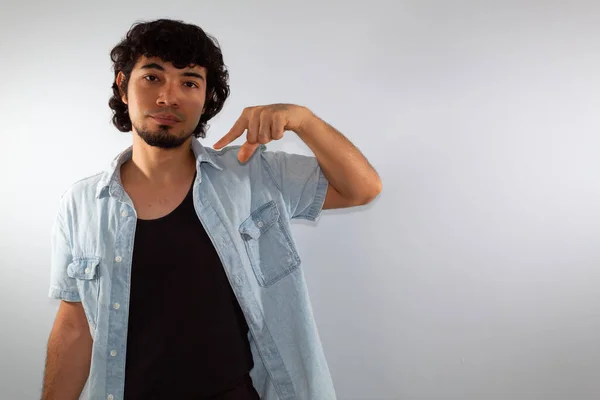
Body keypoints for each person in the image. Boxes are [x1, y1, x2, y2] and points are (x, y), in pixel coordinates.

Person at [41, 18, 381, 400]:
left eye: (189, 82)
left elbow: (361, 188)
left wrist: (303, 120)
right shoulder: (81, 203)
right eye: (153, 77)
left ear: (206, 99)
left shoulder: (253, 173)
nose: (169, 97)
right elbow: (74, 326)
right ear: (123, 86)